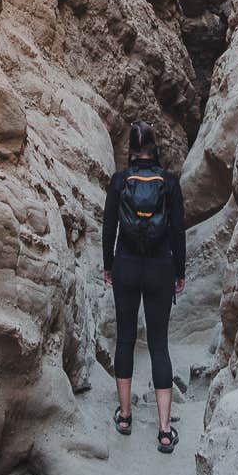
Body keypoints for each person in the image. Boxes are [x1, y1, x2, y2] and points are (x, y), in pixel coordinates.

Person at [102, 118, 186, 453]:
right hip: (160, 268)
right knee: (159, 345)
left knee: (124, 338)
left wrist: (109, 266)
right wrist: (179, 272)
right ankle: (164, 431)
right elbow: (177, 232)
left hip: (125, 265)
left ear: (131, 150)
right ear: (154, 148)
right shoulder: (169, 183)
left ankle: (124, 416)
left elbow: (109, 227)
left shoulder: (120, 181)